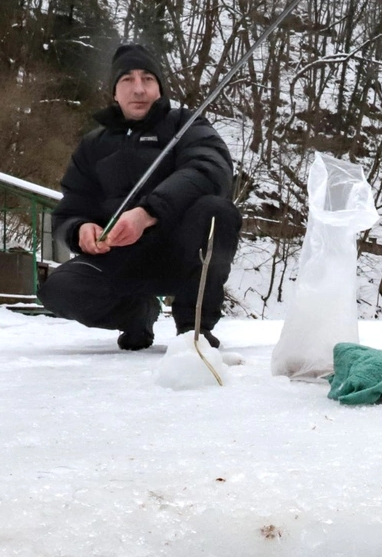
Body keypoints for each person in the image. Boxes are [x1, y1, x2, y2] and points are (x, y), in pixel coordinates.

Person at [38, 43, 242, 350]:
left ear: (159, 88)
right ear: (114, 92)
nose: (138, 89)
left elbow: (211, 169)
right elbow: (70, 210)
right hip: (119, 260)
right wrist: (80, 229)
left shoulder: (187, 125)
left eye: (147, 79)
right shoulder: (93, 145)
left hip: (181, 254)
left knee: (217, 211)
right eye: (127, 80)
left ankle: (193, 327)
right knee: (58, 291)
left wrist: (148, 213)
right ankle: (136, 313)